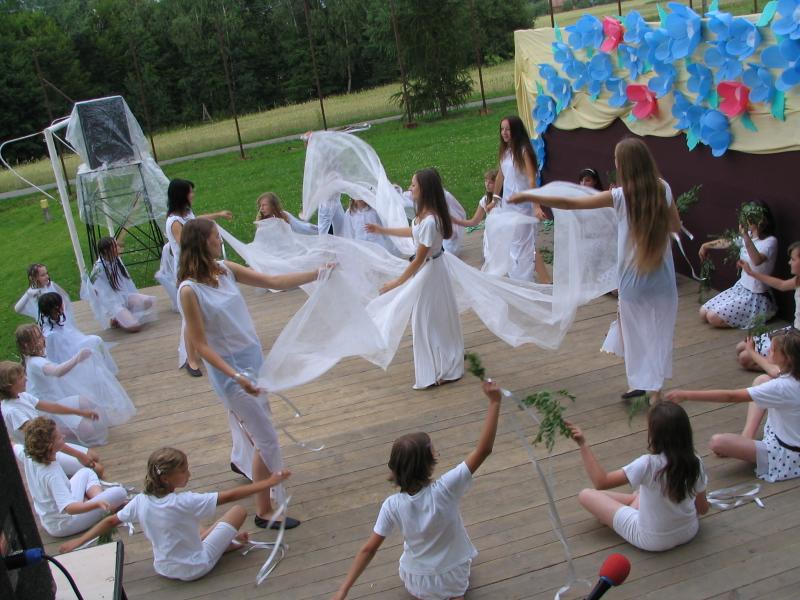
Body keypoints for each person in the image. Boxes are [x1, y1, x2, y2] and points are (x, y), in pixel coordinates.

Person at [510, 137, 681, 401]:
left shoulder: (621, 196)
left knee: (635, 333)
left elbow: (570, 203)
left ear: (625, 165)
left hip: (633, 280)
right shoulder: (663, 188)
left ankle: (648, 386)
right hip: (662, 277)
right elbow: (675, 226)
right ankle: (653, 387)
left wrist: (528, 195)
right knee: (656, 330)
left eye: (617, 160)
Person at [178, 218, 323, 528]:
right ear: (202, 243)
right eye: (215, 237)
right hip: (231, 376)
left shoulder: (225, 270)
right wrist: (235, 375)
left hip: (255, 363)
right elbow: (200, 345)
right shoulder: (189, 291)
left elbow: (273, 281)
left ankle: (261, 496)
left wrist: (317, 273)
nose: (220, 241)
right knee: (267, 439)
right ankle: (264, 510)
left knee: (262, 434)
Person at [332, 380, 502, 600]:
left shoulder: (392, 505)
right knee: (455, 591)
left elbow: (368, 549)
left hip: (416, 579)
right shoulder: (446, 489)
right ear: (428, 464)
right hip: (451, 575)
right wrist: (494, 403)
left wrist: (343, 589)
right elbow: (483, 450)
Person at [58, 448, 292, 581]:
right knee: (238, 512)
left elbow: (111, 520)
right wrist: (268, 482)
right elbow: (230, 496)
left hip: (164, 567)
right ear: (166, 478)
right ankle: (223, 544)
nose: (189, 474)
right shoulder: (184, 501)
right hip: (196, 566)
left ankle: (224, 542)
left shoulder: (140, 500)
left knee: (192, 524)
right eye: (184, 471)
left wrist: (77, 542)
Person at [366, 168, 464, 389]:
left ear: (424, 189)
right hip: (427, 271)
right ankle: (440, 365)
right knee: (426, 320)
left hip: (432, 272)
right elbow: (412, 231)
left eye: (413, 185)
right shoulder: (423, 216)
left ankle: (447, 367)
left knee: (428, 319)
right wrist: (382, 230)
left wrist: (396, 283)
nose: (410, 189)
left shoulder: (431, 221)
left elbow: (419, 259)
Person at [567, 402, 708, 552]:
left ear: (654, 435)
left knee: (586, 495)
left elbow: (601, 482)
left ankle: (634, 504)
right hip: (688, 531)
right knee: (643, 491)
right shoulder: (696, 462)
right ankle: (635, 501)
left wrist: (583, 444)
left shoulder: (648, 464)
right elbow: (702, 508)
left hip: (652, 539)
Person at [667, 329, 800, 482]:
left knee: (717, 442)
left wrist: (686, 395)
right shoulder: (793, 373)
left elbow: (731, 396)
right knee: (762, 380)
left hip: (786, 455)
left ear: (787, 358)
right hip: (791, 436)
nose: (769, 350)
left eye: (773, 349)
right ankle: (746, 436)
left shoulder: (781, 387)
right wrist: (751, 351)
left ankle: (747, 444)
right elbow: (772, 370)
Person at [164, 178, 233, 377]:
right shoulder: (174, 222)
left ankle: (209, 345)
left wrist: (217, 215)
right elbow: (188, 245)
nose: (193, 195)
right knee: (190, 316)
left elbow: (196, 221)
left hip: (199, 266)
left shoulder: (185, 214)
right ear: (181, 195)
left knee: (203, 309)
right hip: (188, 270)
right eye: (190, 192)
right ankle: (191, 359)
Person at [13, 417, 126, 537]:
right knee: (120, 492)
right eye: (59, 437)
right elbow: (70, 508)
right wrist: (96, 504)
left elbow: (14, 446)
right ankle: (102, 506)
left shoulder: (28, 454)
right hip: (64, 523)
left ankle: (102, 504)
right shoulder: (51, 474)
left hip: (50, 517)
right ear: (50, 446)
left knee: (86, 472)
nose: (64, 436)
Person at [699, 200, 778, 329]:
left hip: (756, 296)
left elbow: (757, 260)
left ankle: (762, 314)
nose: (744, 221)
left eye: (748, 218)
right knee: (703, 312)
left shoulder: (770, 241)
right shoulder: (749, 235)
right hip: (740, 288)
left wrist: (745, 235)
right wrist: (706, 245)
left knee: (712, 318)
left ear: (760, 220)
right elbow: (728, 242)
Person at [1, 360, 107, 453]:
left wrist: (81, 413)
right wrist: (78, 454)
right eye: (20, 378)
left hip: (49, 443)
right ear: (9, 385)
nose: (26, 379)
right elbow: (40, 436)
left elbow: (52, 407)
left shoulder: (22, 396)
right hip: (42, 453)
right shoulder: (12, 411)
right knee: (92, 461)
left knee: (91, 456)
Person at [493, 116, 551, 284]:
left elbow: (532, 180)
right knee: (513, 243)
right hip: (509, 204)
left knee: (526, 245)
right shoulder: (505, 152)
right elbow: (501, 176)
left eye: (508, 129)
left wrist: (536, 206)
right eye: (502, 129)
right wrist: (495, 198)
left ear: (516, 131)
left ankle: (536, 280)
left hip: (524, 205)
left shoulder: (524, 151)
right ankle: (520, 277)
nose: (504, 133)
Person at [736, 241, 800, 374]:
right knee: (741, 347)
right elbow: (782, 284)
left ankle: (787, 371)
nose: (789, 262)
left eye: (793, 259)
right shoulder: (798, 280)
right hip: (794, 330)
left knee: (745, 359)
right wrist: (751, 273)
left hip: (796, 340)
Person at [85, 237, 156, 332]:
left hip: (124, 296)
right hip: (113, 304)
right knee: (135, 327)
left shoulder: (116, 259)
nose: (118, 248)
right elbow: (92, 289)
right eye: (115, 247)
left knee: (148, 301)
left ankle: (123, 315)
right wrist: (110, 309)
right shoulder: (98, 269)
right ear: (106, 251)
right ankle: (116, 318)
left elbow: (127, 281)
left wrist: (132, 296)